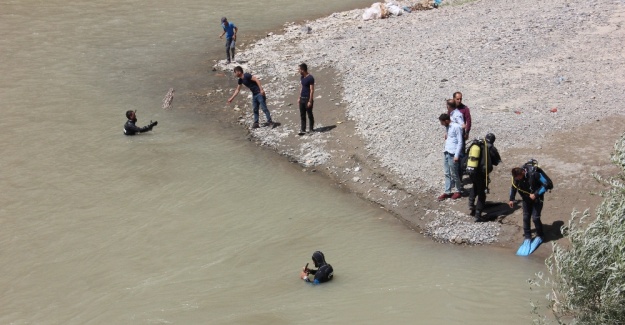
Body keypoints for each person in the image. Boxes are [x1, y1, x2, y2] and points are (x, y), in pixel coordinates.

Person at [508, 165, 549, 241]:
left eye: (519, 177)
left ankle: (540, 235)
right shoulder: (516, 177)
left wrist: (536, 194)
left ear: (523, 172)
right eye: (516, 178)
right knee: (526, 217)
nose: (517, 179)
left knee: (535, 218)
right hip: (526, 199)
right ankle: (527, 236)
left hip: (537, 199)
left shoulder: (534, 174)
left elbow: (547, 184)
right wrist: (511, 199)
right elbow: (514, 187)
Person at [467, 133, 502, 221]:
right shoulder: (491, 148)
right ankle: (478, 214)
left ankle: (471, 205)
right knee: (482, 194)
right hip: (481, 174)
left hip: (471, 171)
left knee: (475, 186)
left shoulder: (477, 145)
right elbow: (497, 161)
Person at [437, 113, 464, 201]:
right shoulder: (447, 127)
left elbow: (460, 142)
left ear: (447, 121)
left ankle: (458, 190)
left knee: (454, 173)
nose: (442, 124)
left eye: (442, 122)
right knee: (447, 173)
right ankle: (447, 191)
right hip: (446, 151)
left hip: (453, 153)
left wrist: (456, 155)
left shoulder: (457, 127)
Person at [297, 63, 315, 135]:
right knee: (302, 114)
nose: (298, 71)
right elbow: (301, 87)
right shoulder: (302, 77)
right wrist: (299, 97)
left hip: (307, 98)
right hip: (302, 98)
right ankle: (303, 129)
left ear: (303, 70)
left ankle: (311, 129)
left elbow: (312, 90)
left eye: (299, 69)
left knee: (309, 114)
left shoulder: (310, 78)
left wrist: (310, 100)